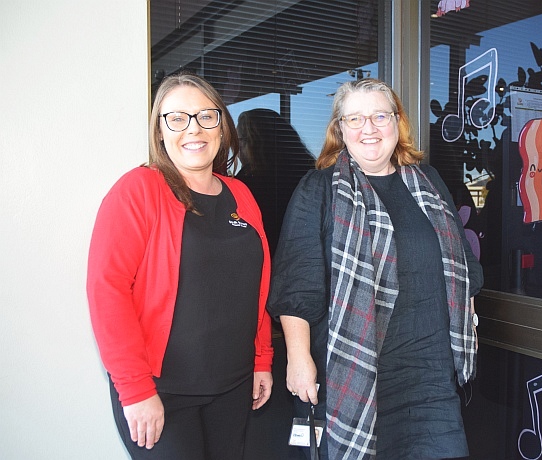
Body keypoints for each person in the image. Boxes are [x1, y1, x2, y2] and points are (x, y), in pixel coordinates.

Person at [268, 78, 484, 459]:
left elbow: (462, 267)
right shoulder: (318, 190)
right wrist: (299, 360)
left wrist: (468, 318)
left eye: (380, 116)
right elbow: (296, 285)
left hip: (432, 379)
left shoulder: (429, 183)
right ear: (340, 129)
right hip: (356, 377)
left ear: (397, 122)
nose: (368, 128)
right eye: (355, 118)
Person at [87, 72, 274, 460]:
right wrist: (135, 389)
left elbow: (255, 289)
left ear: (221, 126)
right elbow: (107, 290)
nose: (194, 128)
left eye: (206, 116)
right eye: (177, 118)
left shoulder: (241, 194)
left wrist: (262, 359)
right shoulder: (137, 190)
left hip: (233, 386)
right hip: (162, 392)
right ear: (160, 131)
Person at [235, 108, 315, 255]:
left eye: (239, 140)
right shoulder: (308, 175)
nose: (236, 149)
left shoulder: (247, 185)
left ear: (251, 143)